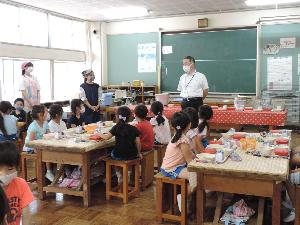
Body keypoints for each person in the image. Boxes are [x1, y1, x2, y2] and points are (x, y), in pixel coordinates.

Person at [160, 112, 196, 212]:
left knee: (196, 176)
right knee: (196, 177)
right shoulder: (182, 140)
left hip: (178, 166)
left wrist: (197, 158)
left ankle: (185, 198)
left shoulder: (179, 136)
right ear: (189, 125)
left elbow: (191, 155)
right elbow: (190, 161)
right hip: (171, 169)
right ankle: (182, 196)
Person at [98, 106, 141, 184]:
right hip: (132, 155)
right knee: (127, 155)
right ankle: (128, 172)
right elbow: (138, 142)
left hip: (118, 155)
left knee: (111, 153)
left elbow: (106, 137)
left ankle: (119, 174)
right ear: (130, 117)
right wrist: (139, 153)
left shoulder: (116, 127)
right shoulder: (134, 128)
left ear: (117, 117)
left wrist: (98, 133)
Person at [0, 141, 34, 225]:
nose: (4, 174)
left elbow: (26, 213)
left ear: (18, 168)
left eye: (10, 169)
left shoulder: (21, 184)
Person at [24, 105, 54, 182]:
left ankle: (49, 172)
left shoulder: (45, 123)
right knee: (46, 152)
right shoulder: (33, 126)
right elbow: (31, 142)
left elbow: (49, 135)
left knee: (51, 151)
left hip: (41, 145)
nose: (47, 113)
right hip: (30, 147)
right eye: (46, 112)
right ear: (40, 114)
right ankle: (48, 171)